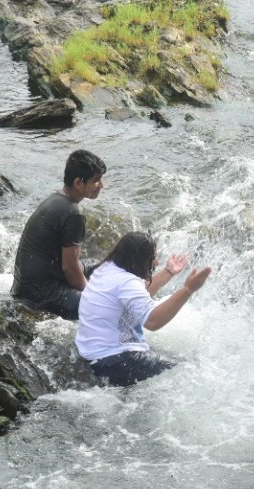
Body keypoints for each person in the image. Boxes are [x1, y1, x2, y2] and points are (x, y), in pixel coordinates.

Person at [75, 231, 212, 387]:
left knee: (173, 360)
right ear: (138, 259)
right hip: (113, 361)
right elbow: (153, 322)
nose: (156, 263)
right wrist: (188, 289)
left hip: (93, 353)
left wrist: (169, 272)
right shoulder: (126, 283)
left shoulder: (107, 268)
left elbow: (138, 297)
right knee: (187, 370)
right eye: (152, 258)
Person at [11, 149, 107, 320]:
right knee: (102, 307)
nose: (102, 185)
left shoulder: (56, 200)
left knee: (101, 267)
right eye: (96, 180)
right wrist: (90, 294)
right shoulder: (73, 214)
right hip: (41, 295)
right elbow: (69, 269)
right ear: (79, 183)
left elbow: (71, 266)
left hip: (25, 287)